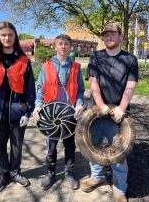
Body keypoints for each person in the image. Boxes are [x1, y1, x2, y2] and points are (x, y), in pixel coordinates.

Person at [80, 23, 139, 202]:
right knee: (94, 147)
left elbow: (130, 85)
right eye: (106, 34)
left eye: (113, 33)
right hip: (96, 113)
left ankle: (120, 188)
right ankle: (96, 177)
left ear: (121, 36)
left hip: (119, 116)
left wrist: (121, 108)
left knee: (118, 152)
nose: (109, 36)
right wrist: (100, 104)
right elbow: (93, 82)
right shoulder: (96, 57)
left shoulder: (130, 59)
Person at [0, 22, 36, 194]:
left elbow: (30, 90)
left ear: (15, 36)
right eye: (3, 35)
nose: (7, 38)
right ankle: (3, 175)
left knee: (17, 146)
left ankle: (15, 172)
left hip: (17, 112)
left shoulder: (24, 61)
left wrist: (27, 112)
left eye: (10, 34)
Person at [33, 34, 85, 191]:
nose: (63, 46)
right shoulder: (46, 66)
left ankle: (69, 173)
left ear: (70, 47)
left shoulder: (76, 67)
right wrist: (37, 105)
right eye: (60, 44)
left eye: (66, 44)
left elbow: (81, 90)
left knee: (70, 146)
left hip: (70, 114)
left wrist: (80, 104)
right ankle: (50, 173)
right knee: (51, 146)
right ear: (55, 46)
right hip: (51, 115)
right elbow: (40, 89)